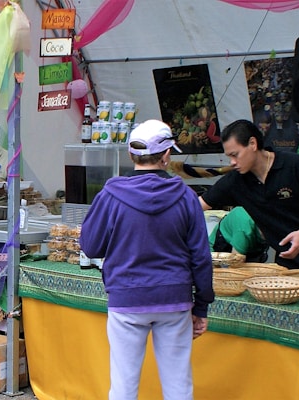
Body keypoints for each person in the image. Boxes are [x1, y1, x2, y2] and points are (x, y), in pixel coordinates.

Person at [80, 119, 214, 400]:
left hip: (126, 299)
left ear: (131, 155)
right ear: (167, 156)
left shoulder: (110, 195)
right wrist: (201, 307)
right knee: (179, 386)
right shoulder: (187, 196)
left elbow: (90, 246)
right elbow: (201, 257)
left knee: (123, 386)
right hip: (174, 299)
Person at [200, 119, 299, 270]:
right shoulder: (235, 181)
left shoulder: (295, 165)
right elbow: (198, 204)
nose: (232, 162)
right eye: (229, 156)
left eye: (235, 155)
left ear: (252, 144)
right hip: (288, 264)